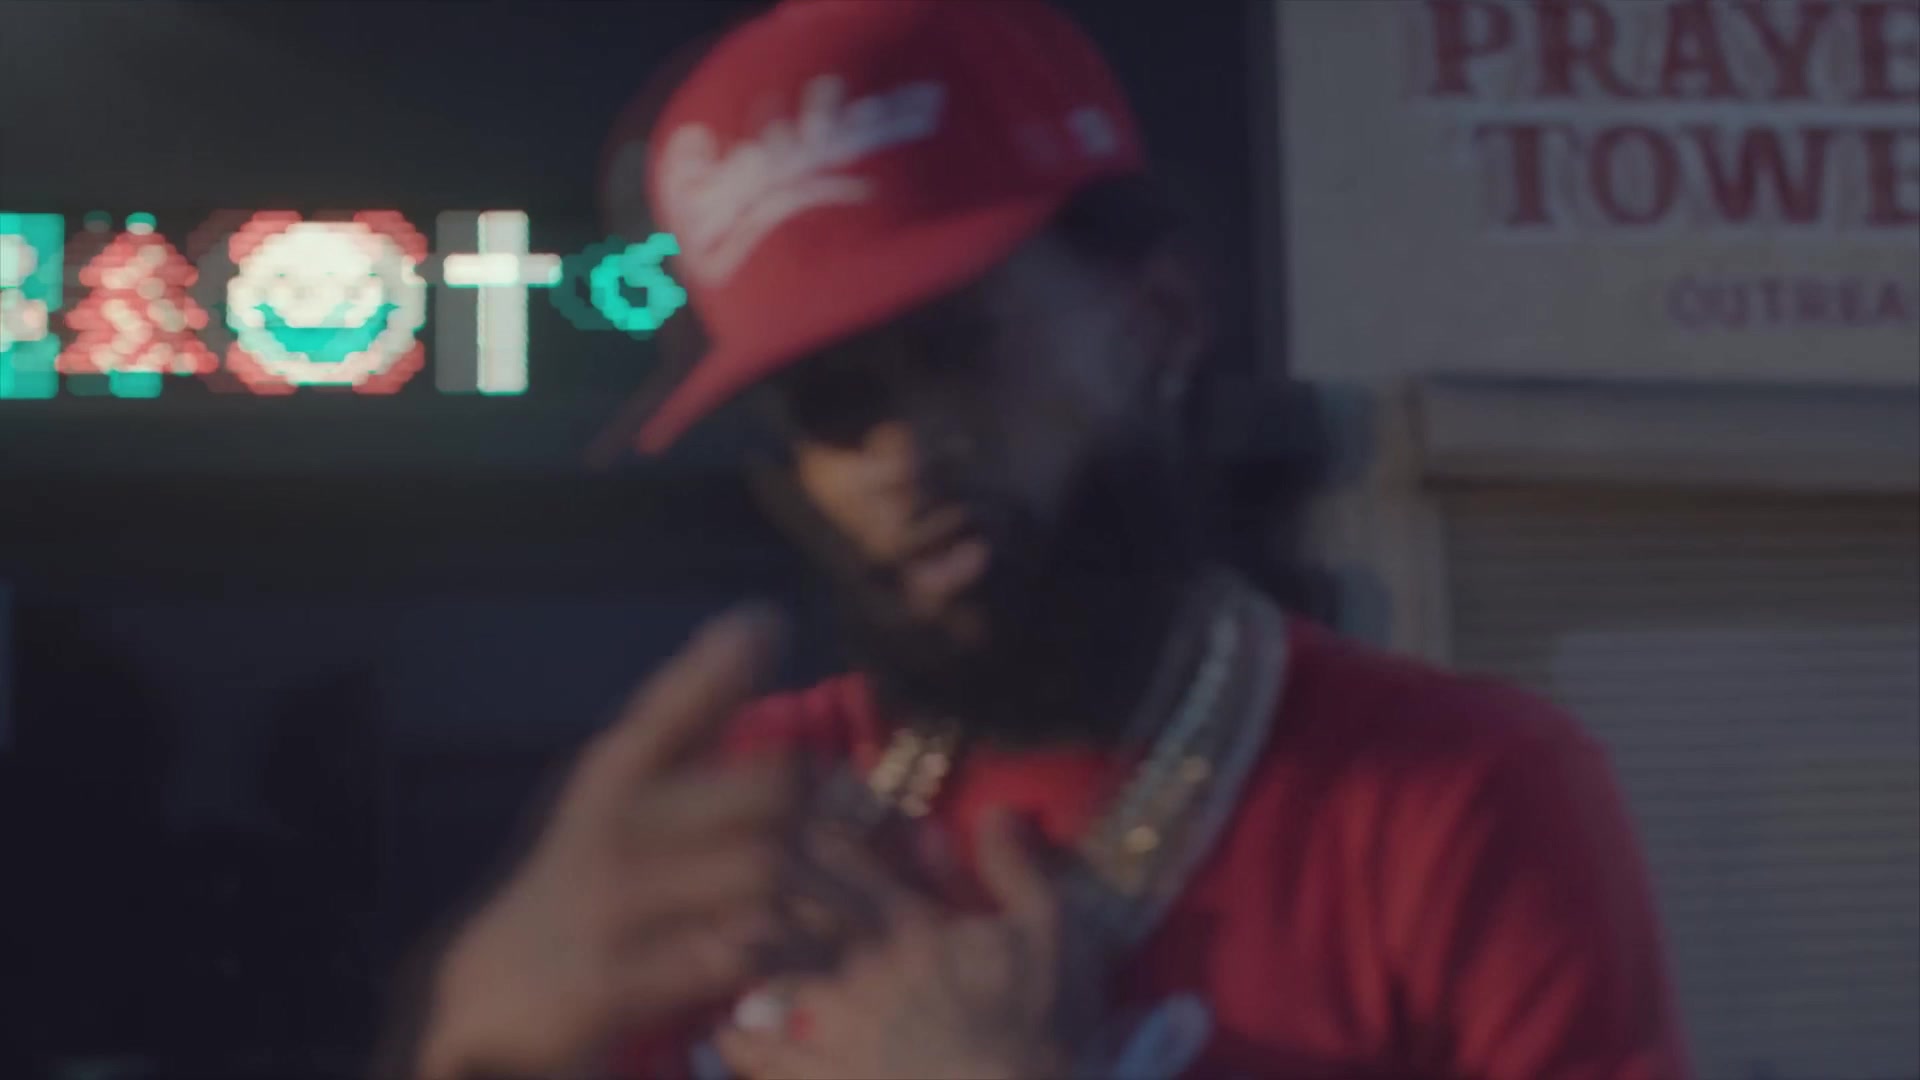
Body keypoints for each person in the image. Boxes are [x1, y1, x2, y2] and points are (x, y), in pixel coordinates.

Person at [396, 2, 1691, 1077]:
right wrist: (480, 1042)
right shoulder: (741, 819)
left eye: (959, 352)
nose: (904, 458)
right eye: (833, 405)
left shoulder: (1451, 800)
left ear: (1159, 318)